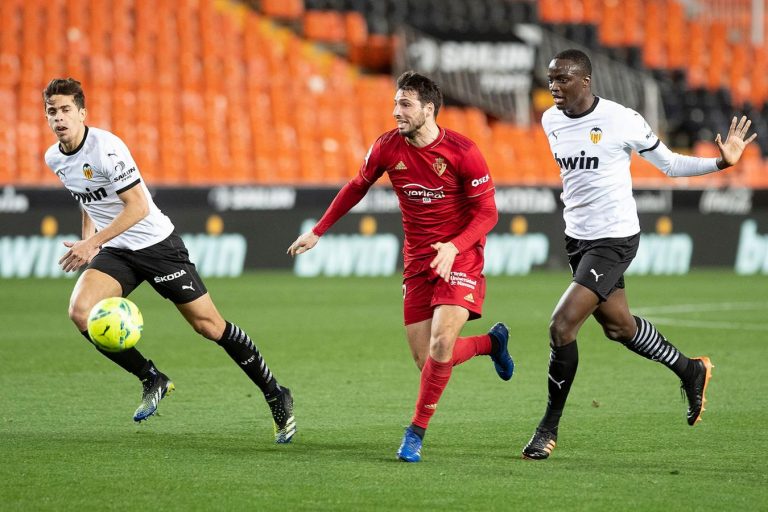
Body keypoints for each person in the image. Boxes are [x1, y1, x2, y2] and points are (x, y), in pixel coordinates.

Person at [522, 49, 757, 460]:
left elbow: (669, 164)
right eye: (550, 79)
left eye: (562, 79)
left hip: (615, 239)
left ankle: (548, 428)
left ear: (586, 80)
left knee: (561, 327)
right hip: (578, 240)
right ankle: (691, 369)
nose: (554, 87)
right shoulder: (550, 120)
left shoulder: (621, 119)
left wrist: (721, 162)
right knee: (619, 327)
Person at [43, 78, 296, 443]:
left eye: (67, 110)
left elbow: (139, 206)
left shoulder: (106, 148)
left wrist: (93, 242)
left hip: (156, 245)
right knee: (80, 311)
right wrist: (90, 241)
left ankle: (276, 392)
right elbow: (87, 198)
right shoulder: (55, 157)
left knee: (210, 326)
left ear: (82, 112)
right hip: (117, 250)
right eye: (53, 111)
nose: (60, 118)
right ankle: (151, 378)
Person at [287, 71, 515, 463]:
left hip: (461, 257)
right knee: (428, 361)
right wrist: (319, 230)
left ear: (429, 109)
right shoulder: (387, 147)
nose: (396, 112)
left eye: (405, 104)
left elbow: (488, 213)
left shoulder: (463, 151)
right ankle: (490, 343)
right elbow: (357, 186)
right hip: (417, 262)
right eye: (395, 103)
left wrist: (455, 246)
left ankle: (415, 433)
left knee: (442, 343)